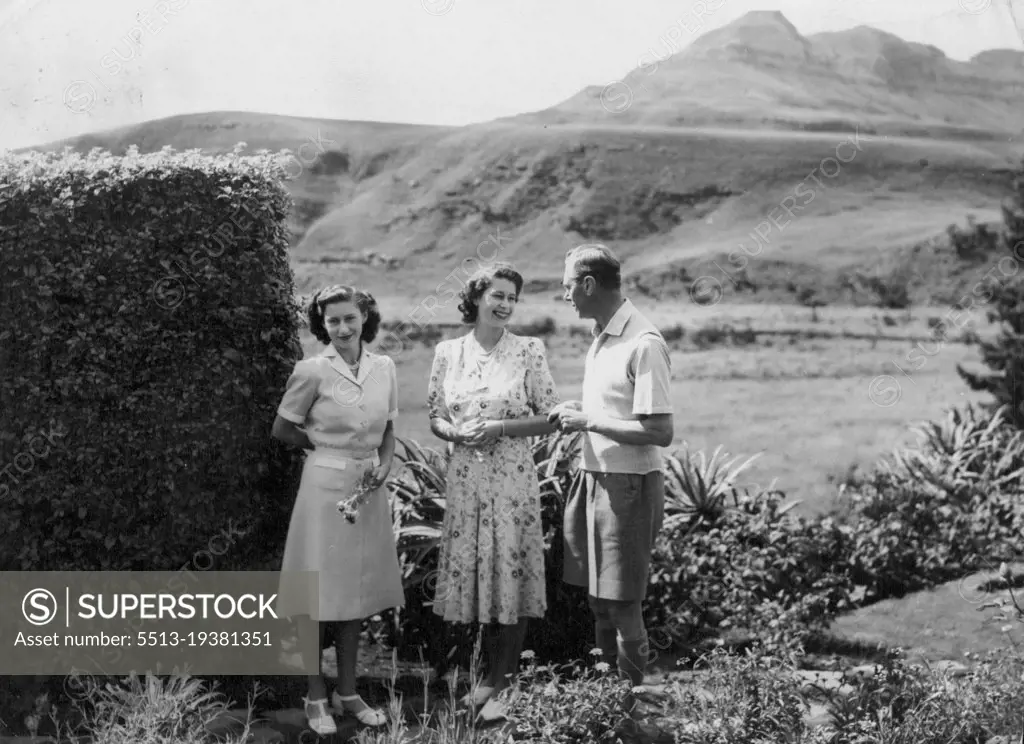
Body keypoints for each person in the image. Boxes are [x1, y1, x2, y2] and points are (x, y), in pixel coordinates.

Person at [426, 262, 561, 722]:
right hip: (465, 480)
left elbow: (550, 416)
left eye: (512, 298)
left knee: (510, 571)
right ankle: (484, 679)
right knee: (478, 574)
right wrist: (454, 432)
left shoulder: (528, 350)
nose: (504, 305)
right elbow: (435, 414)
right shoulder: (448, 351)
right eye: (497, 296)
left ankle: (507, 683)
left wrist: (501, 426)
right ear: (477, 298)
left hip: (511, 481)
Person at [272, 284, 404, 734]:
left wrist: (384, 465)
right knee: (315, 593)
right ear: (322, 325)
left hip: (367, 488)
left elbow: (388, 428)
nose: (343, 328)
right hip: (324, 489)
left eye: (350, 318)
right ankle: (315, 695)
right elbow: (283, 428)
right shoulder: (312, 370)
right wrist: (324, 447)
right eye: (333, 321)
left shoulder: (383, 367)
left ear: (365, 317)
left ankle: (347, 692)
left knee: (356, 591)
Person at [547, 244, 674, 698]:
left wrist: (589, 421)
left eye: (567, 286)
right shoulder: (603, 335)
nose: (564, 296)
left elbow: (660, 431)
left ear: (587, 284)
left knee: (622, 604)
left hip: (628, 486)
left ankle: (629, 706)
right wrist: (582, 411)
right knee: (599, 602)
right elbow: (619, 410)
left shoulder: (645, 344)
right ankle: (606, 701)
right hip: (593, 476)